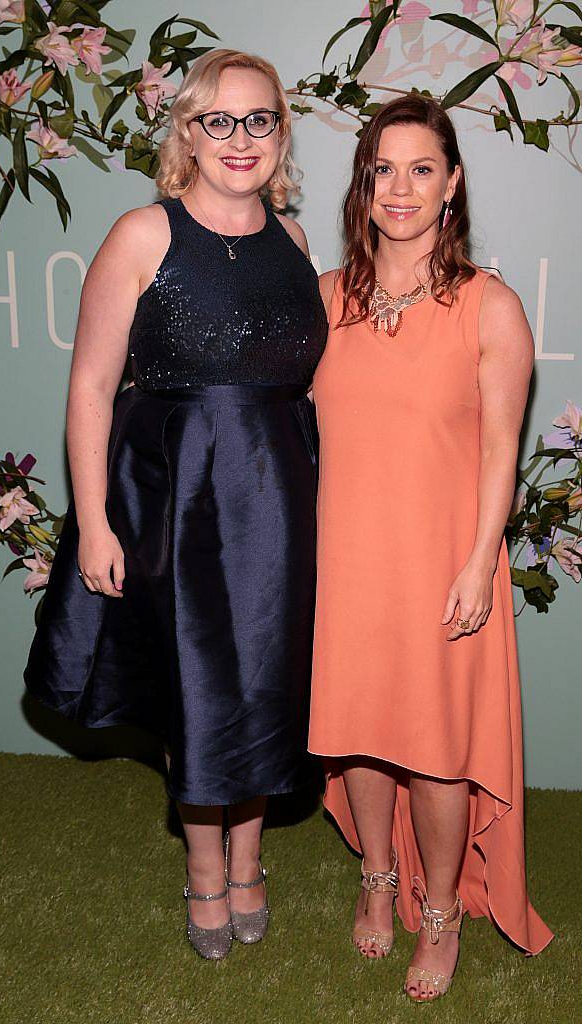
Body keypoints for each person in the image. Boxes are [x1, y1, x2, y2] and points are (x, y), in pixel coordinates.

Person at [24, 49, 327, 960]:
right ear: (186, 132)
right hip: (173, 500)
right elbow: (89, 389)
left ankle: (248, 862)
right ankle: (205, 871)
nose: (241, 140)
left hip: (278, 500)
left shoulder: (296, 243)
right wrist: (92, 522)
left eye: (259, 119)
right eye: (218, 121)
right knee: (197, 689)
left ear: (280, 130)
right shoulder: (142, 236)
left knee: (268, 683)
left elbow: (305, 392)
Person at [308, 95, 553, 1001]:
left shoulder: (488, 307)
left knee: (436, 748)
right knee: (362, 737)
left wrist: (478, 561)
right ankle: (378, 879)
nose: (401, 189)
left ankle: (441, 908)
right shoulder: (324, 300)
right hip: (346, 562)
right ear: (363, 186)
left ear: (450, 184)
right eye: (383, 169)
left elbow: (501, 452)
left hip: (444, 564)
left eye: (422, 169)